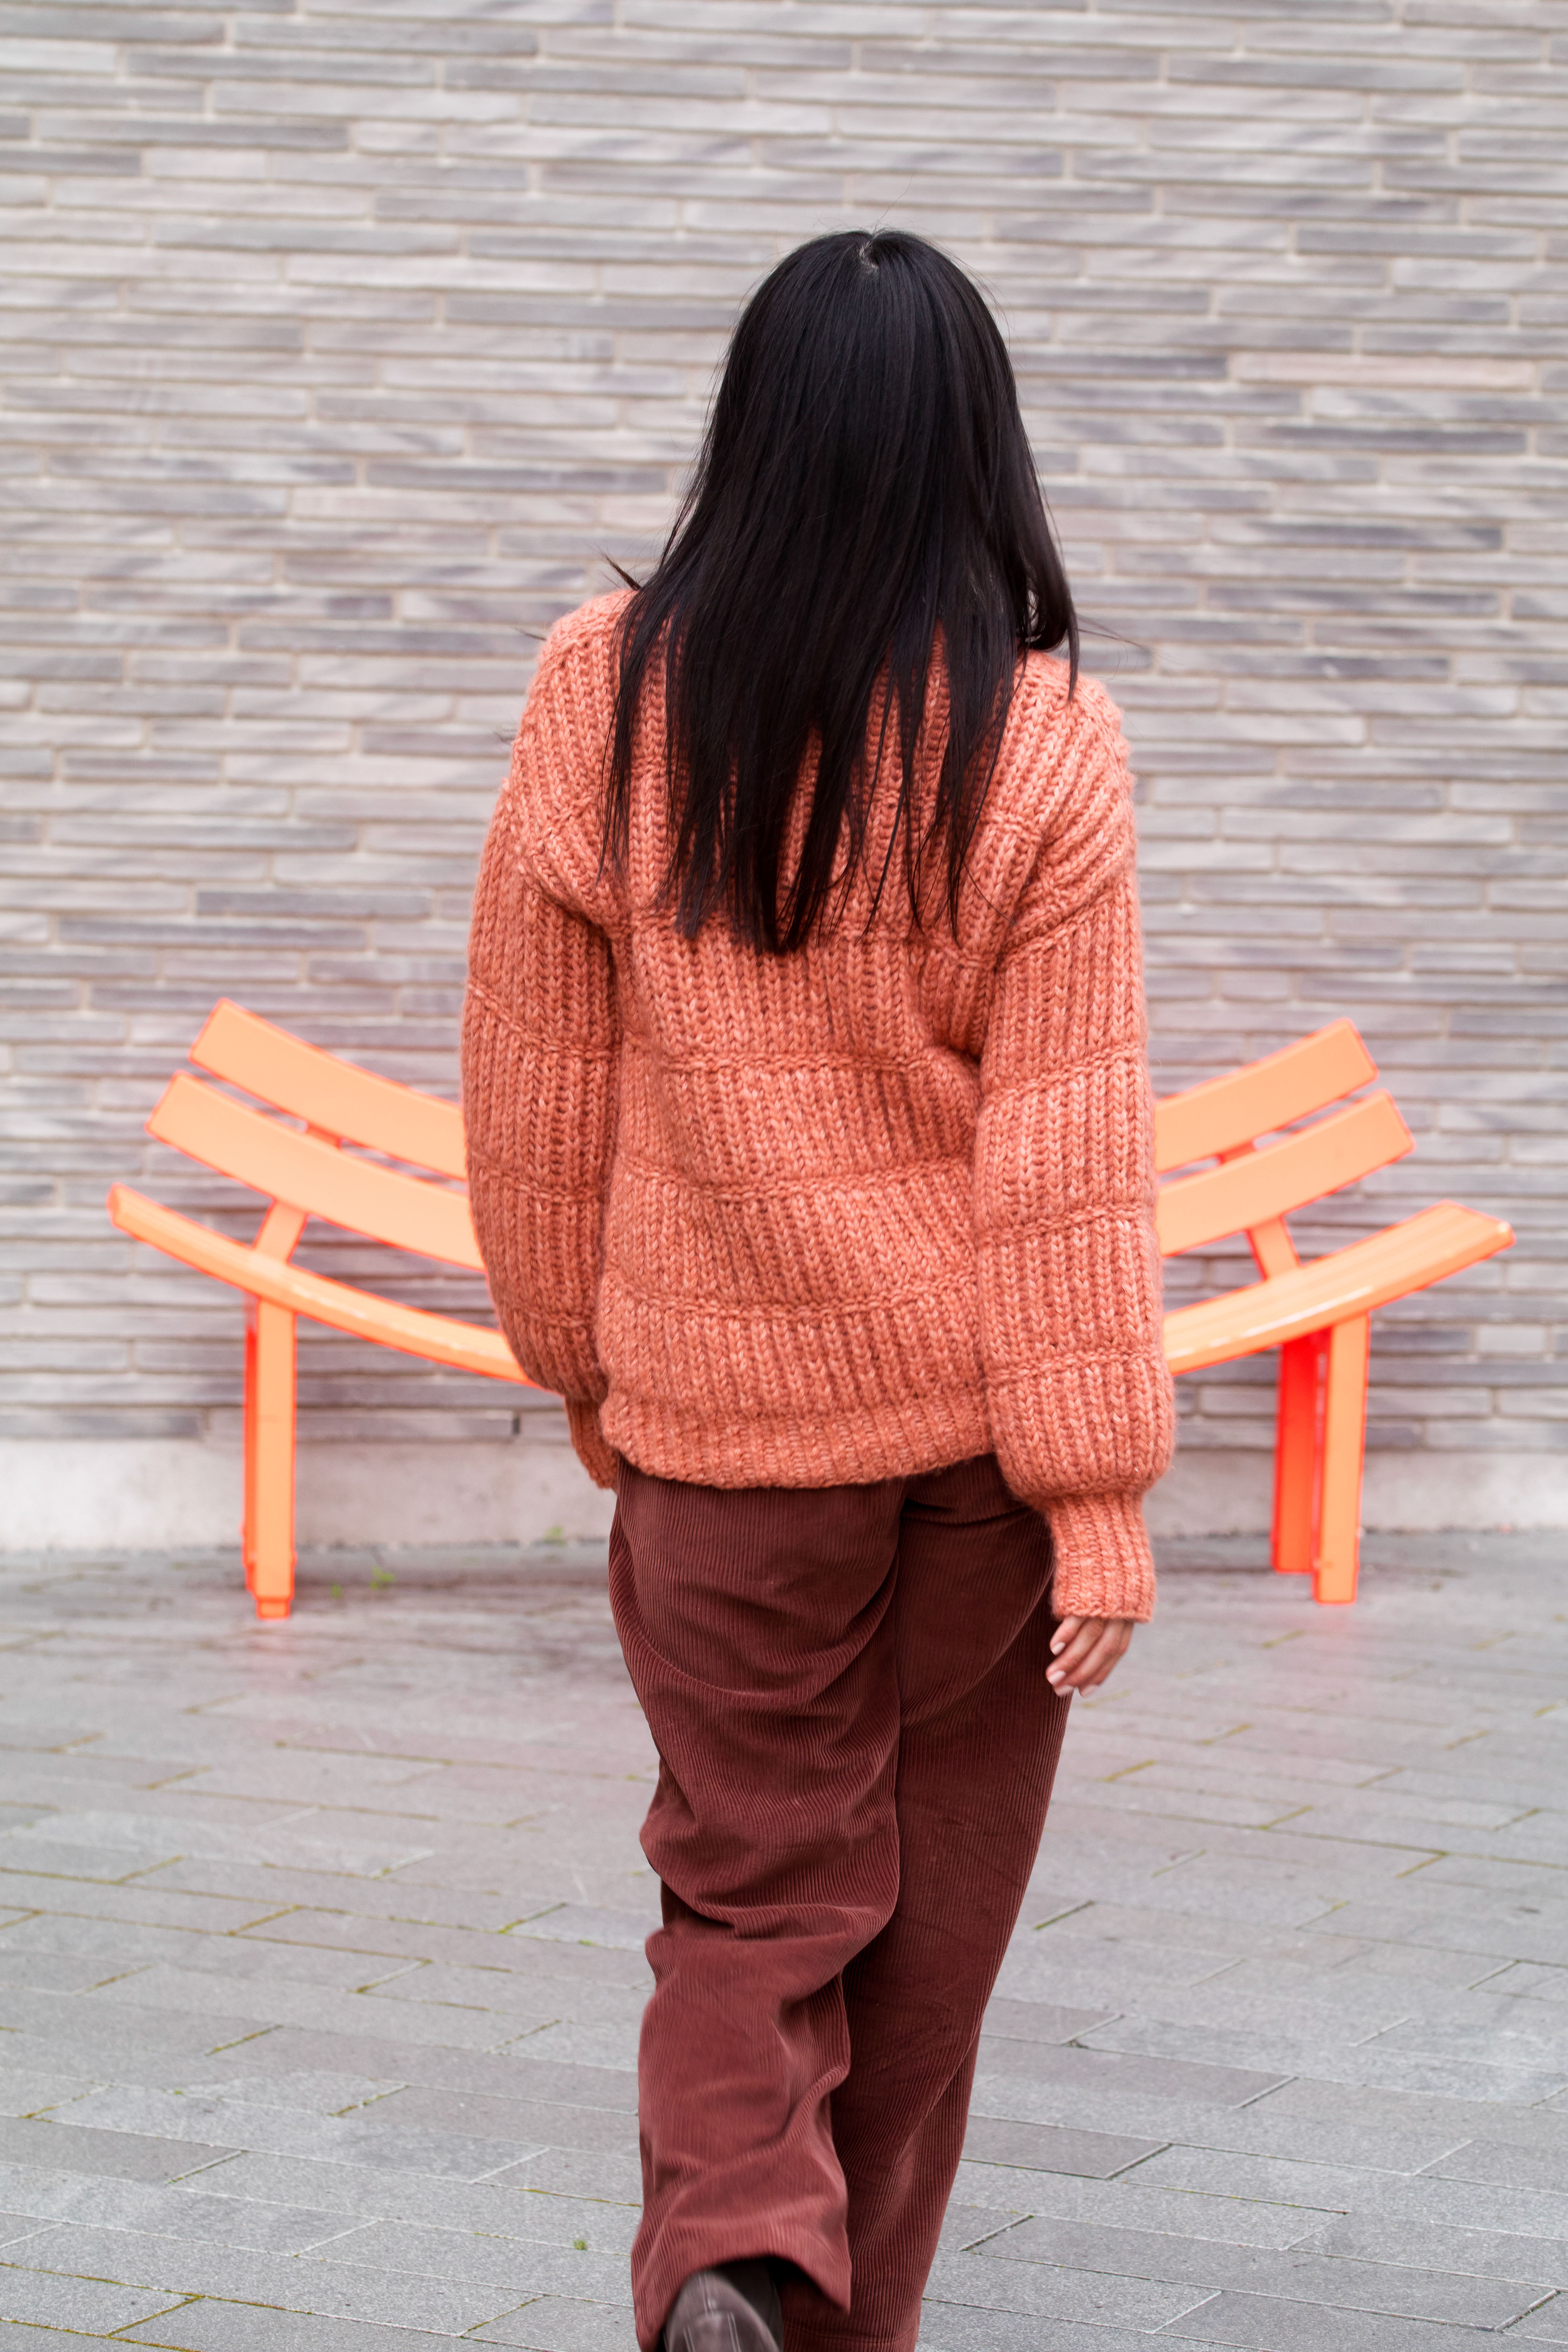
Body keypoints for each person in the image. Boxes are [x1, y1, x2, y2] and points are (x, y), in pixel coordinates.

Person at [462, 229, 1174, 2352]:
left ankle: (729, 2259)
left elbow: (534, 1080)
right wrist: (1101, 1492)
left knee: (749, 1897)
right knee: (928, 1946)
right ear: (978, 446)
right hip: (972, 1458)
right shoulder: (1047, 739)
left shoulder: (603, 687)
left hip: (716, 1438)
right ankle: (828, 2317)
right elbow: (1066, 1154)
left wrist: (578, 1360)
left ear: (750, 428)